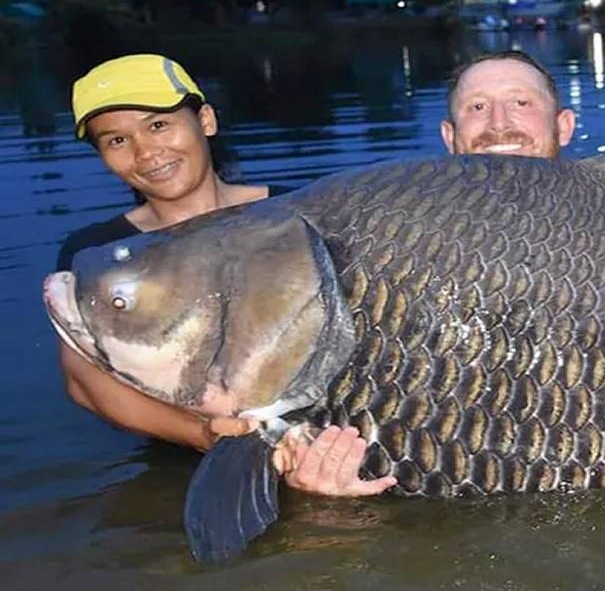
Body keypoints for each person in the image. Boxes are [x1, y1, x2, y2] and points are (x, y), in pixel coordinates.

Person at [56, 54, 393, 497]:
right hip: (185, 464)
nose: (146, 151)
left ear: (206, 120)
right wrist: (206, 435)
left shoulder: (304, 212)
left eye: (159, 125)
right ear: (104, 157)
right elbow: (84, 381)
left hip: (338, 442)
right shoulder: (100, 258)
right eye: (117, 140)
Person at [439, 50, 575, 158]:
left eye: (521, 103)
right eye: (478, 107)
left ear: (563, 127)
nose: (499, 124)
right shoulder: (420, 191)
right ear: (449, 136)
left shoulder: (594, 190)